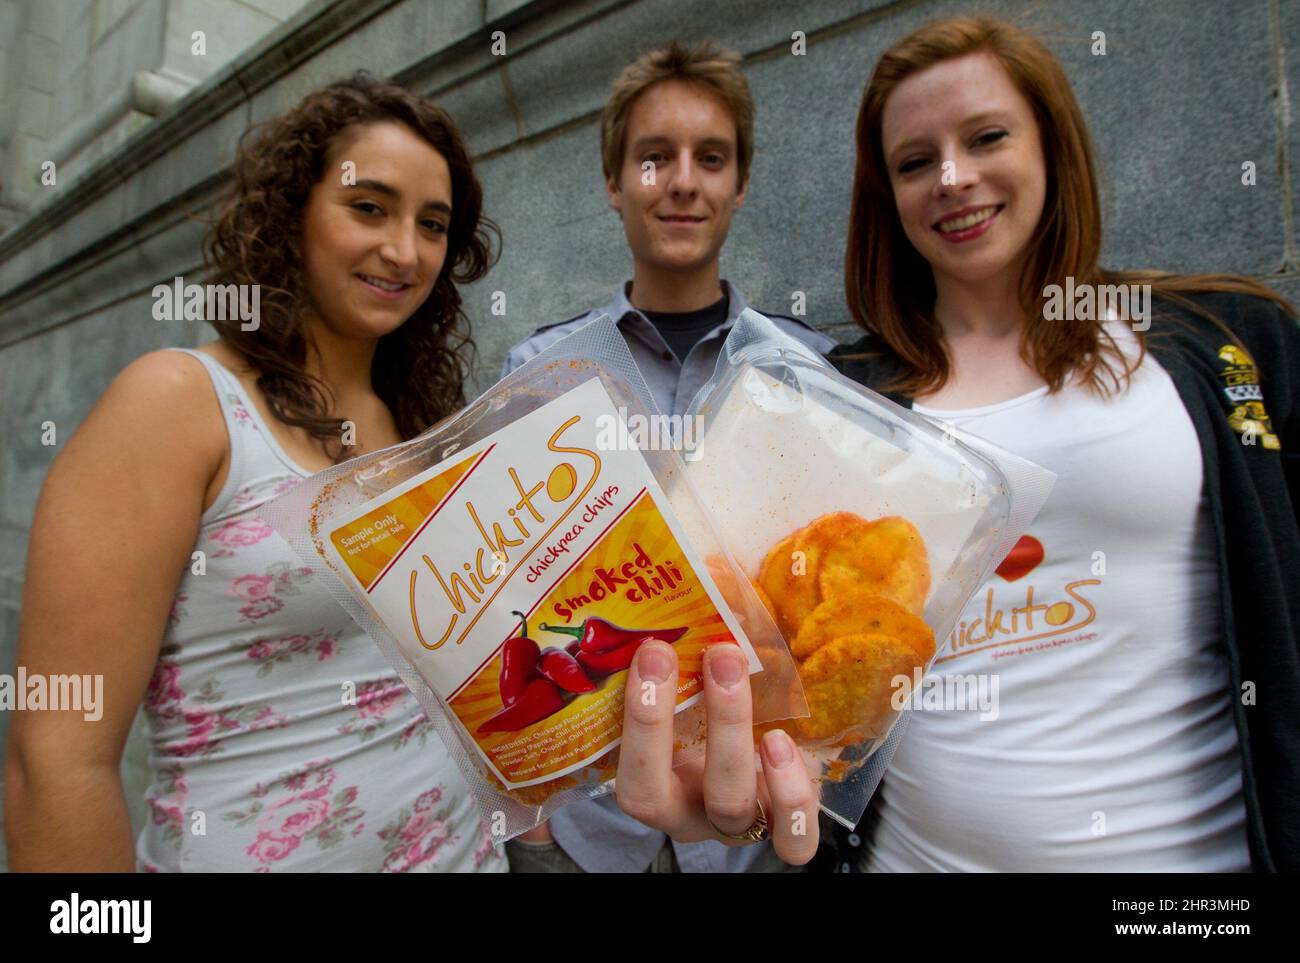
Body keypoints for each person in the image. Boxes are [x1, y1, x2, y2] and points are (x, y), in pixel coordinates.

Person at [827, 15, 1299, 872]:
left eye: (987, 136)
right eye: (914, 162)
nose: (954, 178)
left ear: (1052, 146)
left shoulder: (1223, 338)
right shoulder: (841, 399)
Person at [4, 74, 509, 872]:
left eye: (433, 224)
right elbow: (55, 762)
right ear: (293, 213)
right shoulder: (179, 404)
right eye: (369, 207)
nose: (404, 250)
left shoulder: (421, 423)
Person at [499, 41, 833, 872]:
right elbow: (503, 605)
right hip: (585, 827)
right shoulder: (540, 375)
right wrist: (536, 837)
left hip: (747, 825)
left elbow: (818, 606)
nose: (683, 181)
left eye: (710, 159)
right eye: (654, 159)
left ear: (739, 184)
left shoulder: (807, 373)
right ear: (615, 184)